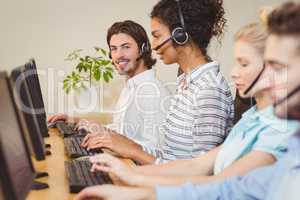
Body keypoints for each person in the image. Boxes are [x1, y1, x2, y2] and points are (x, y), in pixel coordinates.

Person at [74, 2, 300, 200]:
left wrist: (133, 165)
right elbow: (211, 175)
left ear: (180, 35)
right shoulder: (252, 118)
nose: (152, 46)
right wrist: (130, 175)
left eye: (278, 67)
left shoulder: (213, 93)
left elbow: (213, 181)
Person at [82, 0, 234, 164]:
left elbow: (199, 173)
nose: (153, 46)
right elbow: (168, 155)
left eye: (157, 36)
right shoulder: (187, 83)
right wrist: (124, 145)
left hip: (174, 187)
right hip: (163, 179)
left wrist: (133, 151)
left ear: (180, 34)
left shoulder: (209, 90)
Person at [48, 20, 171, 161]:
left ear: (143, 49)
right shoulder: (131, 87)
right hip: (127, 164)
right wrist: (80, 122)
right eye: (114, 49)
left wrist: (122, 146)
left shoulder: (152, 92)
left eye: (126, 47)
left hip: (140, 172)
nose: (119, 55)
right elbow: (124, 133)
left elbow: (160, 155)